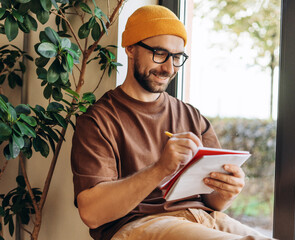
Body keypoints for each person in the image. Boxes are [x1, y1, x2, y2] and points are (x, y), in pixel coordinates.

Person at [71, 5, 274, 240]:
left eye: (177, 57)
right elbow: (92, 213)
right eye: (159, 53)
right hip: (141, 224)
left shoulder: (191, 116)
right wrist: (161, 168)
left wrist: (228, 191)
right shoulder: (99, 121)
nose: (169, 68)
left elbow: (213, 201)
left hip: (203, 219)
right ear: (130, 49)